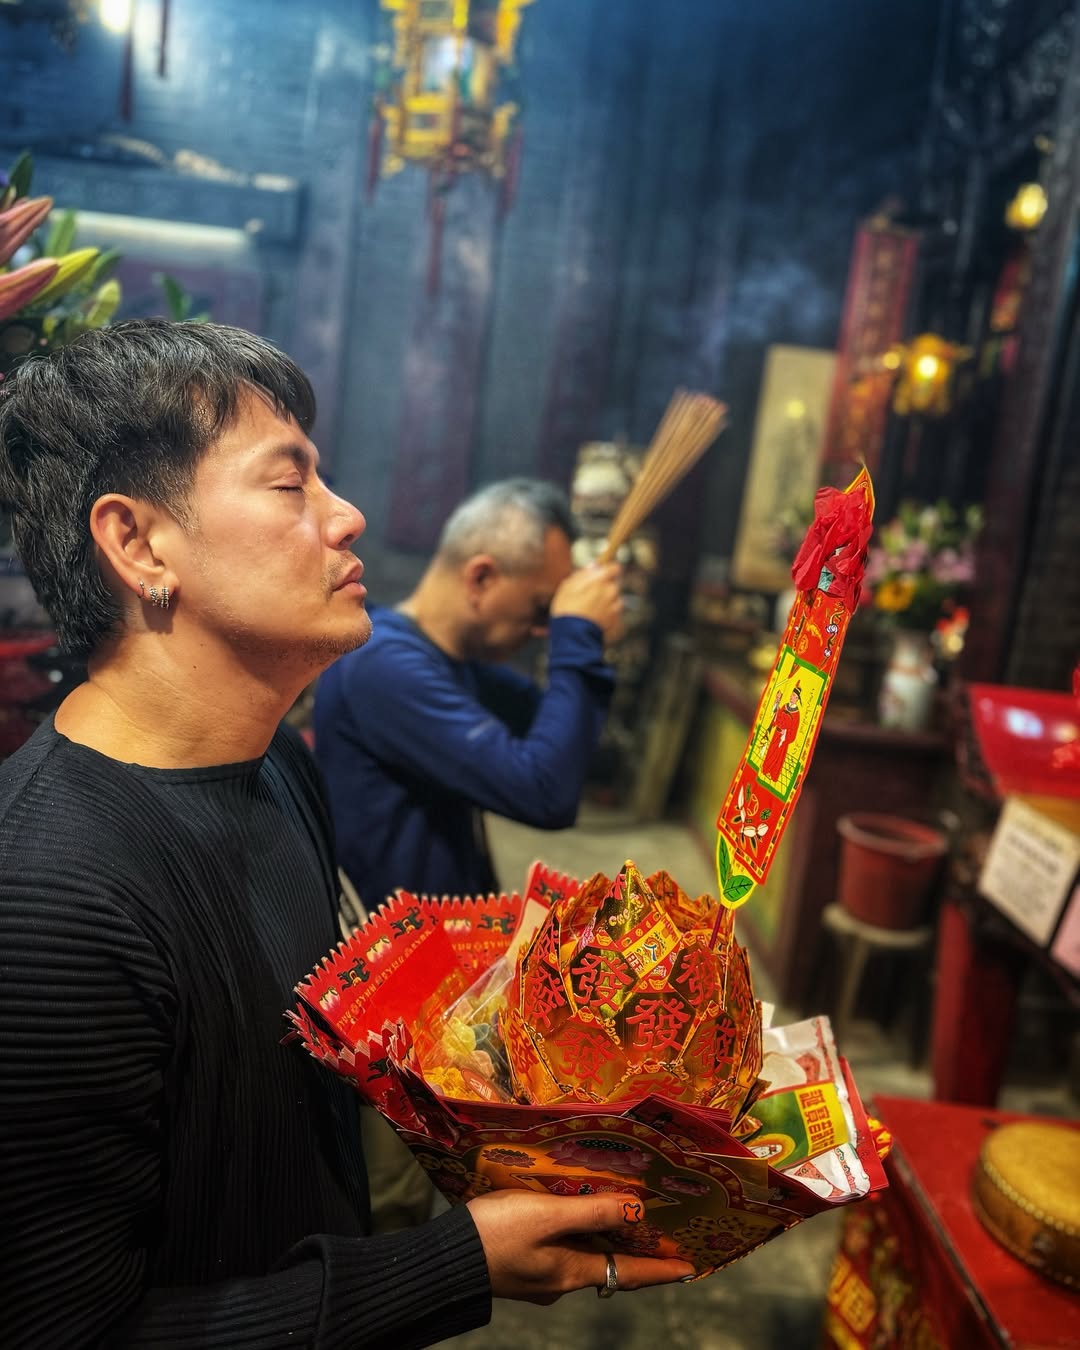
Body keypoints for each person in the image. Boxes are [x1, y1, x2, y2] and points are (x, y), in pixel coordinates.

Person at [0, 320, 695, 1349]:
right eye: (292, 484)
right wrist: (454, 1266)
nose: (348, 515)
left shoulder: (278, 763)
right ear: (139, 544)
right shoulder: (47, 903)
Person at [313, 479, 623, 912]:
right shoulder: (383, 665)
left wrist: (583, 635)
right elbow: (544, 792)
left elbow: (570, 747)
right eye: (541, 608)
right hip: (394, 943)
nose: (543, 630)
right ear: (481, 578)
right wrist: (577, 637)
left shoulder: (448, 660)